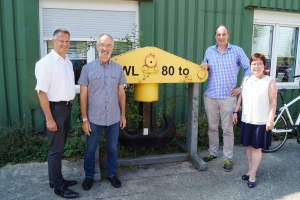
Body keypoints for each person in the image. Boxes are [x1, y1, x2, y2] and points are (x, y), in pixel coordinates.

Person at [78, 34, 126, 190]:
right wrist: (85, 119)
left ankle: (111, 174)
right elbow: (83, 95)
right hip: (94, 118)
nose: (105, 48)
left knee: (113, 148)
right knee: (91, 149)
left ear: (112, 48)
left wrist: (123, 115)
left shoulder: (118, 69)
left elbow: (121, 93)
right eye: (103, 45)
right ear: (97, 46)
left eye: (109, 45)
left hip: (113, 117)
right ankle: (89, 176)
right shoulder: (87, 69)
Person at [200, 24, 252, 172]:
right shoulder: (209, 51)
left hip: (228, 98)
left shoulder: (237, 51)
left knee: (227, 129)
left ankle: (228, 158)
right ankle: (213, 152)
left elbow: (248, 68)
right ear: (215, 36)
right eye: (218, 34)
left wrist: (242, 87)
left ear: (227, 35)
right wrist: (204, 66)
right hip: (211, 96)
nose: (221, 37)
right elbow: (205, 66)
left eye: (223, 34)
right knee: (212, 127)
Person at [35, 29, 79, 198]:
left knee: (57, 148)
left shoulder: (67, 61)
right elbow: (41, 93)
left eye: (67, 41)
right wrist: (49, 119)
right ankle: (59, 187)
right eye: (61, 41)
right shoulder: (45, 63)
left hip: (66, 108)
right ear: (52, 42)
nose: (65, 44)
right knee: (56, 149)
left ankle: (54, 179)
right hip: (54, 109)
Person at [233, 53, 277, 188]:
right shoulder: (247, 79)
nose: (256, 66)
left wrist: (270, 120)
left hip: (260, 121)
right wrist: (236, 111)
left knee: (256, 148)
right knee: (248, 146)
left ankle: (253, 174)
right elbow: (241, 96)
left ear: (264, 66)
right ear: (250, 66)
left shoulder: (269, 81)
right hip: (247, 119)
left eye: (259, 64)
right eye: (253, 64)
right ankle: (250, 169)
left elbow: (273, 102)